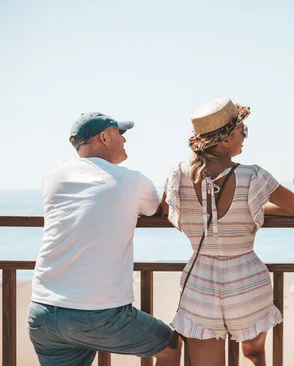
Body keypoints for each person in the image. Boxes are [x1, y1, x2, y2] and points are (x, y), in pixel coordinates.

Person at [28, 112, 182, 366]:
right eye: (120, 134)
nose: (124, 140)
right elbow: (158, 209)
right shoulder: (133, 180)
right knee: (170, 345)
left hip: (42, 312)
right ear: (104, 137)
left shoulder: (52, 175)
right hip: (99, 315)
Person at [161, 98, 294, 366]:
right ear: (225, 140)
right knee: (254, 356)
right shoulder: (253, 176)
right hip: (247, 281)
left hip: (200, 282)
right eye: (242, 131)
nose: (244, 138)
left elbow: (166, 210)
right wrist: (256, 208)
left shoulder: (177, 175)